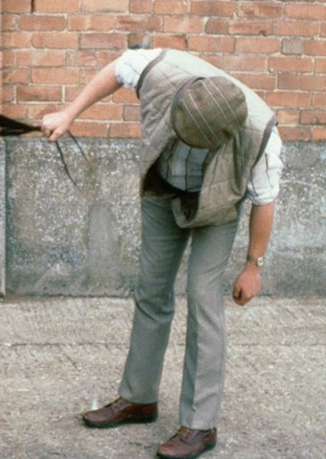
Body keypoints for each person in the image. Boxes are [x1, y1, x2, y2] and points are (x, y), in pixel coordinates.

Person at [42, 48, 283, 459]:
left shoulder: (261, 134)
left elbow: (265, 200)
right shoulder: (159, 70)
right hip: (162, 188)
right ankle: (138, 398)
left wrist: (252, 266)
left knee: (204, 302)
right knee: (151, 291)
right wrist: (70, 113)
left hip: (217, 205)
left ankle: (199, 425)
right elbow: (117, 68)